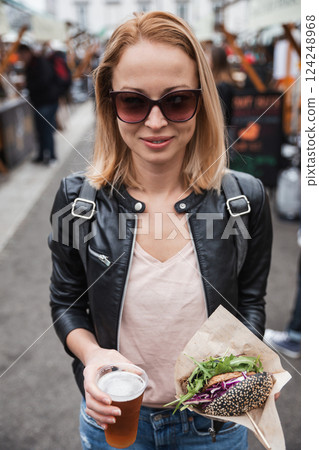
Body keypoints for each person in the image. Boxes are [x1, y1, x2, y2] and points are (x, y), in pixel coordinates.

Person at [48, 11, 273, 450]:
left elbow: (251, 301)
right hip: (114, 419)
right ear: (108, 103)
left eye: (176, 101)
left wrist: (249, 364)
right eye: (133, 102)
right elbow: (65, 302)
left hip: (215, 424)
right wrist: (93, 356)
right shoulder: (78, 202)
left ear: (202, 101)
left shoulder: (244, 200)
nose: (155, 123)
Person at [17, 44, 60, 165]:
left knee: (46, 130)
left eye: (22, 54)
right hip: (40, 103)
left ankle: (52, 157)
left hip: (47, 101)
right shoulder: (30, 64)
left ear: (28, 52)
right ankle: (41, 155)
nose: (21, 57)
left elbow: (44, 80)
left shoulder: (40, 62)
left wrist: (27, 85)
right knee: (40, 131)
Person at [210, 45, 237, 128]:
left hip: (221, 131)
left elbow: (222, 115)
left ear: (214, 61)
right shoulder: (227, 82)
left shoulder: (221, 86)